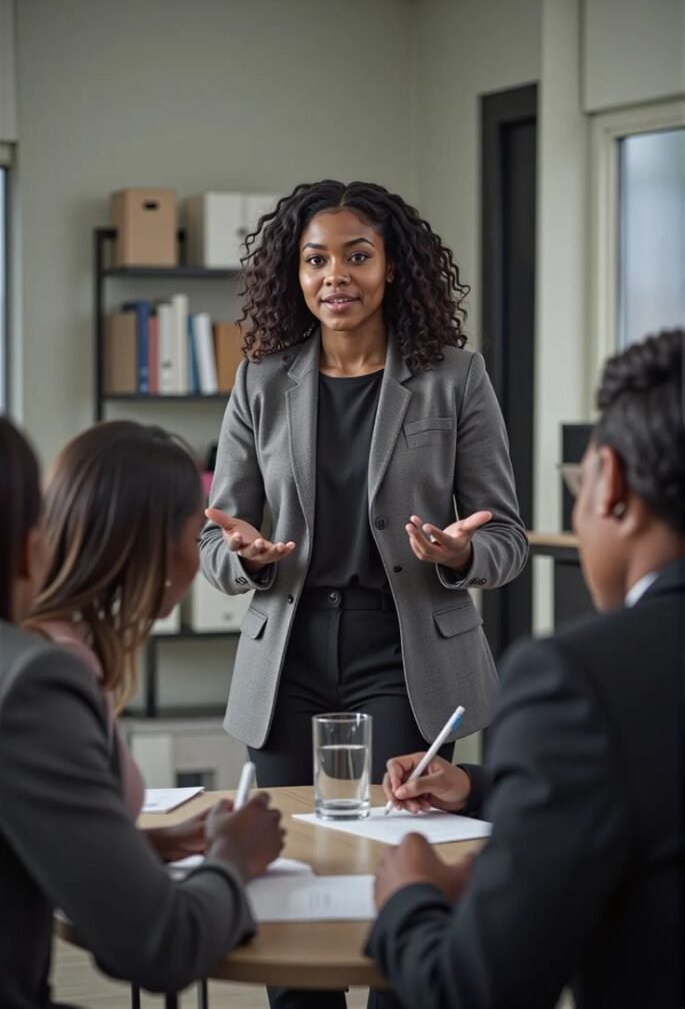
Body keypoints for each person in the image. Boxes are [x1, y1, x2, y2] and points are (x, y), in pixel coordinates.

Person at [370, 328, 685, 1009]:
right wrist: (483, 789)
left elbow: (474, 993)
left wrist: (408, 896)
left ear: (610, 484)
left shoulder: (578, 681)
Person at [200, 179, 527, 791]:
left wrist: (461, 554)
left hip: (406, 655)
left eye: (357, 256)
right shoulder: (259, 383)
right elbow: (214, 541)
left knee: (396, 825)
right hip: (287, 655)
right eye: (316, 260)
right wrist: (245, 557)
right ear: (296, 274)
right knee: (286, 830)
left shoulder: (455, 378)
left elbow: (507, 538)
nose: (335, 276)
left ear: (391, 267)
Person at [0, 416, 285, 1008]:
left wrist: (144, 847)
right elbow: (160, 946)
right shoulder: (38, 681)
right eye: (195, 530)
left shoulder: (44, 655)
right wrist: (233, 860)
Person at [26, 420, 224, 860]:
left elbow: (61, 846)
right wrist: (235, 860)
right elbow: (88, 876)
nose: (198, 557)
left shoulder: (50, 644)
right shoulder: (59, 669)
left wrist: (164, 841)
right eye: (197, 535)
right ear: (156, 545)